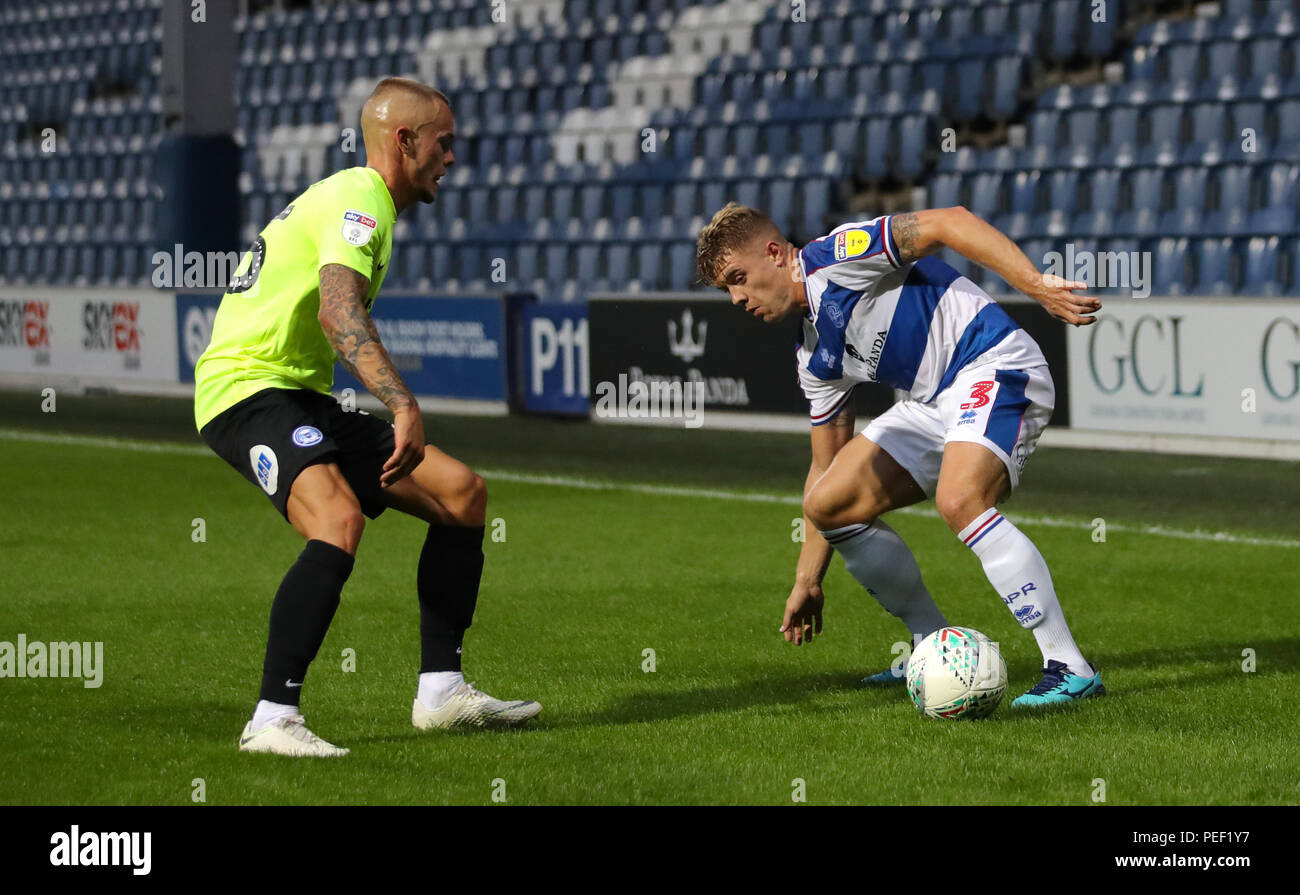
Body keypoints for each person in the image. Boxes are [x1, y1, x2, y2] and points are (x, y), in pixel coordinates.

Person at [193, 78, 539, 757]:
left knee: (462, 494)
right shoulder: (362, 200)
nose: (451, 158)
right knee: (337, 517)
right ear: (404, 142)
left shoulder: (358, 199)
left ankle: (442, 693)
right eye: (443, 144)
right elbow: (338, 310)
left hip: (298, 394)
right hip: (245, 388)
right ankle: (271, 718)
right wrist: (403, 402)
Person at [695, 202, 1106, 707]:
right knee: (828, 504)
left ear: (776, 253)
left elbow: (949, 222)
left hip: (992, 362)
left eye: (738, 277)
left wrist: (1035, 285)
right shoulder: (812, 356)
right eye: (726, 290)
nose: (737, 297)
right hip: (931, 403)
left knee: (960, 500)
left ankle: (1069, 665)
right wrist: (807, 580)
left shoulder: (837, 256)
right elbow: (824, 465)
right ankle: (929, 643)